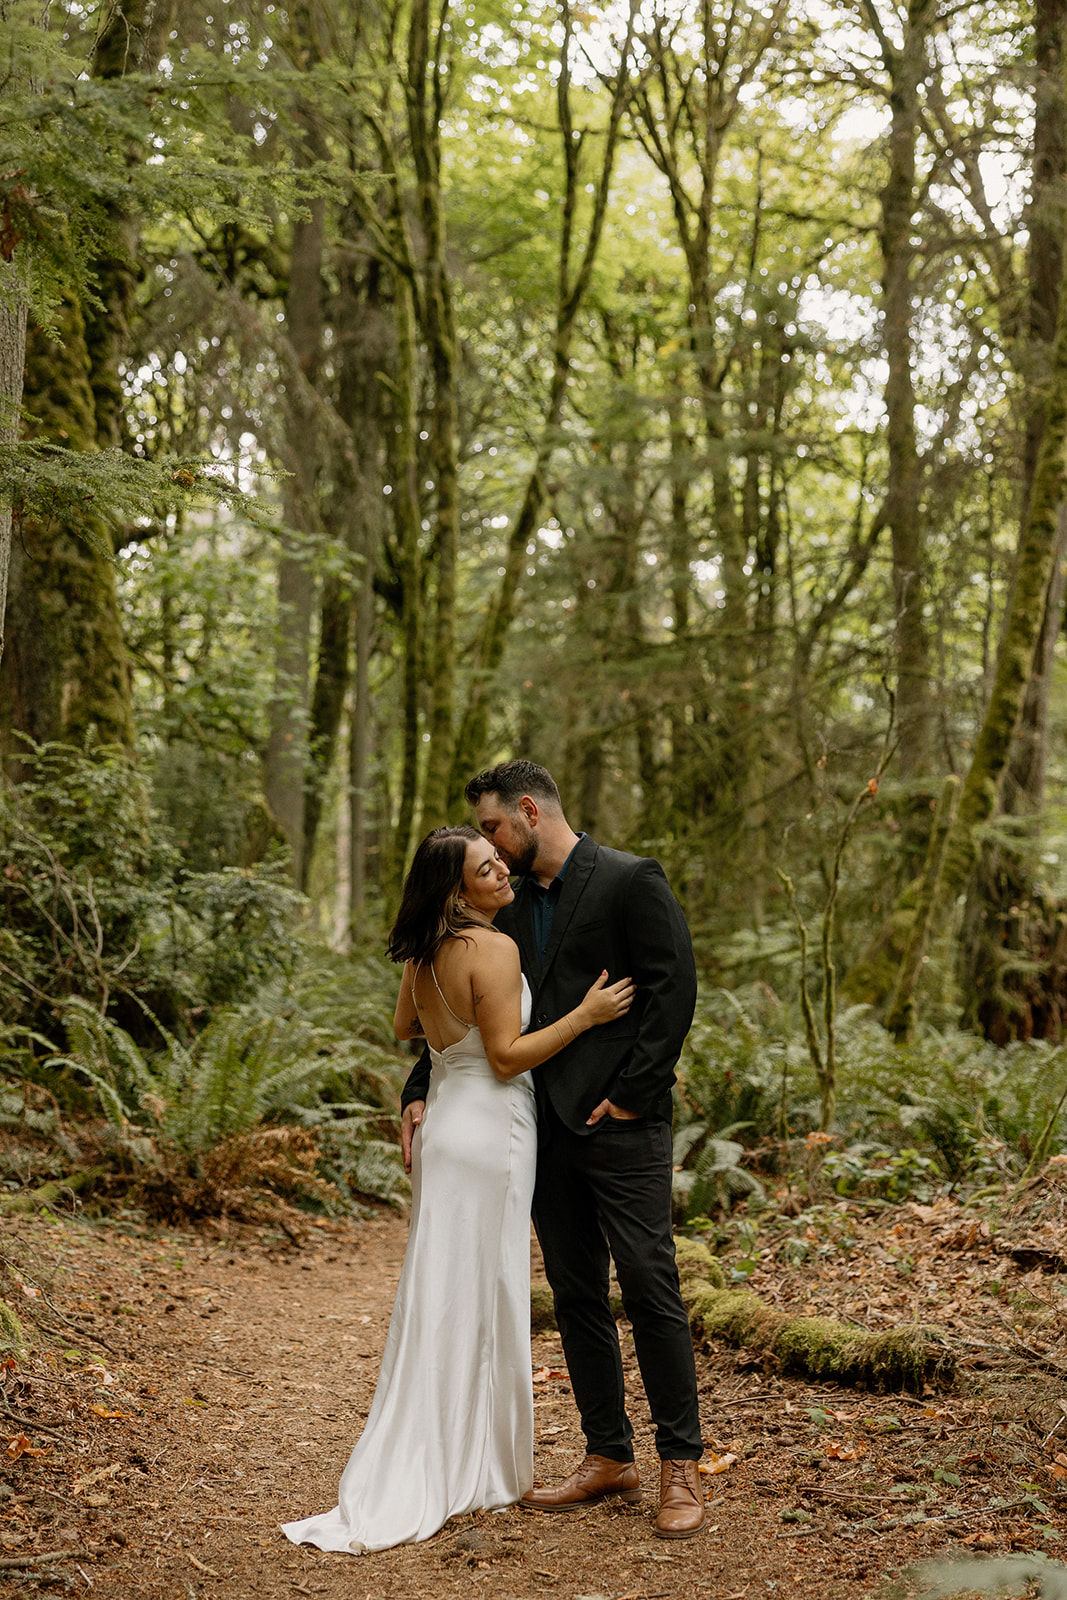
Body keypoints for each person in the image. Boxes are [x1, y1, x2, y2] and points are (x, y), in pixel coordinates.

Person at [281, 824, 634, 1554]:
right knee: (488, 1285)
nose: (502, 870)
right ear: (457, 890)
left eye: (496, 858)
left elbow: (408, 1023)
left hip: (447, 1123)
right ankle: (478, 1466)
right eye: (485, 867)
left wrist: (450, 1048)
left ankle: (447, 1451)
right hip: (494, 1128)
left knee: (441, 1285)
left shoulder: (425, 951)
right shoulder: (495, 949)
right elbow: (507, 1058)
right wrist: (586, 1015)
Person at [401, 761, 705, 1540]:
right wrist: (417, 1086)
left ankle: (680, 1465)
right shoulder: (497, 910)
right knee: (575, 1294)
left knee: (648, 1284)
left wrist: (635, 1093)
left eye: (495, 828)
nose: (490, 847)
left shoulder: (631, 880)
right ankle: (609, 1454)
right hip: (534, 1125)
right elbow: (470, 1015)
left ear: (529, 811)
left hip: (623, 1124)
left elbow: (672, 990)